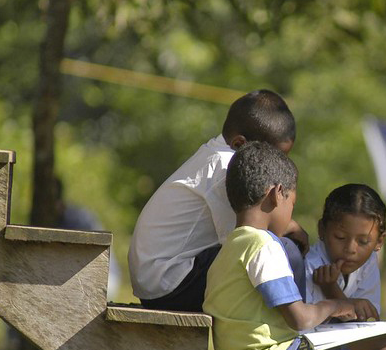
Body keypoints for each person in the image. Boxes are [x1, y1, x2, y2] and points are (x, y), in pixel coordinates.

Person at [203, 141, 386, 350]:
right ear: (276, 195)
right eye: (292, 203)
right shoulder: (262, 246)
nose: (292, 214)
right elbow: (299, 317)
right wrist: (336, 304)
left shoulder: (231, 246)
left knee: (367, 345)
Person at [128, 89, 307, 312]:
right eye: (272, 156)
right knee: (284, 251)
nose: (275, 166)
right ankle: (295, 325)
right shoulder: (226, 169)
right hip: (170, 285)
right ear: (240, 144)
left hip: (161, 282)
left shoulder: (217, 157)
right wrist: (290, 229)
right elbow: (245, 239)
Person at [300, 183, 386, 350]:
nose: (351, 249)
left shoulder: (368, 262)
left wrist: (334, 292)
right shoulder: (313, 266)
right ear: (322, 231)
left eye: (364, 241)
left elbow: (365, 320)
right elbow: (309, 329)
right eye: (340, 237)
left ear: (379, 242)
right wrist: (329, 287)